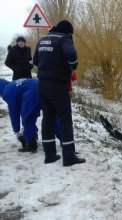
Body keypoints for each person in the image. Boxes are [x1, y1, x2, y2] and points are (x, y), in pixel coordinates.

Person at [33, 20, 86, 166]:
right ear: (68, 32)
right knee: (65, 120)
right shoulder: (64, 39)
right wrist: (70, 65)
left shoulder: (42, 39)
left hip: (43, 85)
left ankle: (49, 155)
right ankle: (69, 157)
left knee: (48, 119)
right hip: (58, 85)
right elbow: (72, 58)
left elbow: (35, 61)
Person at [0, 78, 40, 153]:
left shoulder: (7, 92)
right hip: (44, 87)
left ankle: (31, 143)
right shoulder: (13, 85)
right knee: (51, 115)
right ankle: (63, 138)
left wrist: (17, 131)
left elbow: (14, 113)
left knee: (27, 118)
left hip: (33, 93)